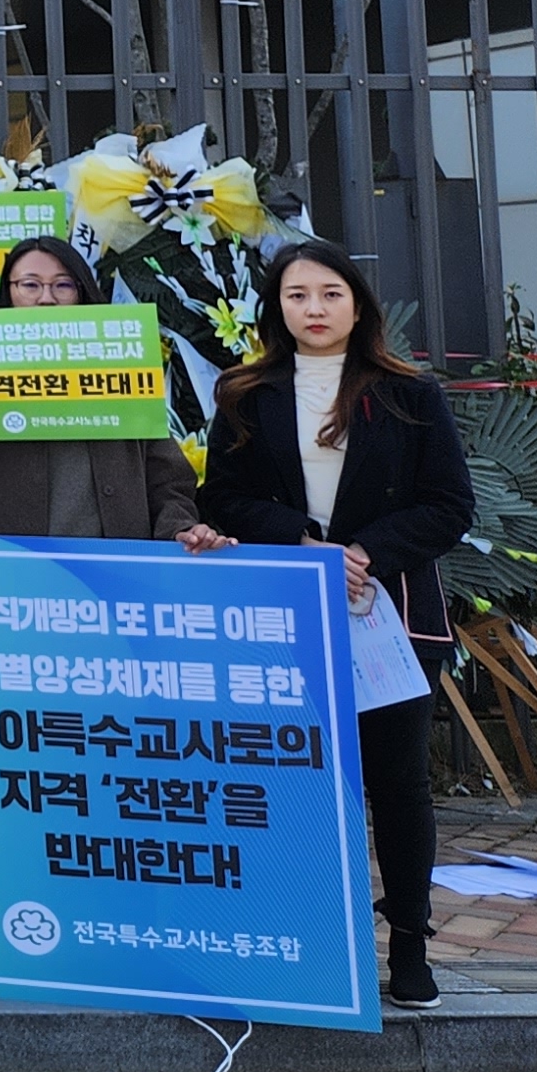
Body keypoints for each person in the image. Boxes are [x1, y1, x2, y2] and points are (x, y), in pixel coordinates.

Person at [198, 238, 472, 1012]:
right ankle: (309, 939)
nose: (313, 310)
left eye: (328, 295)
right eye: (296, 296)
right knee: (297, 783)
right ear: (275, 307)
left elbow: (451, 505)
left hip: (393, 614)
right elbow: (223, 499)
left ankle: (410, 946)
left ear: (358, 304)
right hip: (286, 610)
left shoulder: (410, 394)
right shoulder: (245, 392)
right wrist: (304, 545)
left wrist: (365, 552)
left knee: (398, 784)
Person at [0, 236, 223, 548]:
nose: (46, 298)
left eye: (62, 285)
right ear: (9, 292)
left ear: (81, 292)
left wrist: (180, 528)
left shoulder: (121, 366)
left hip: (117, 567)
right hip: (18, 571)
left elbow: (168, 481)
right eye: (30, 285)